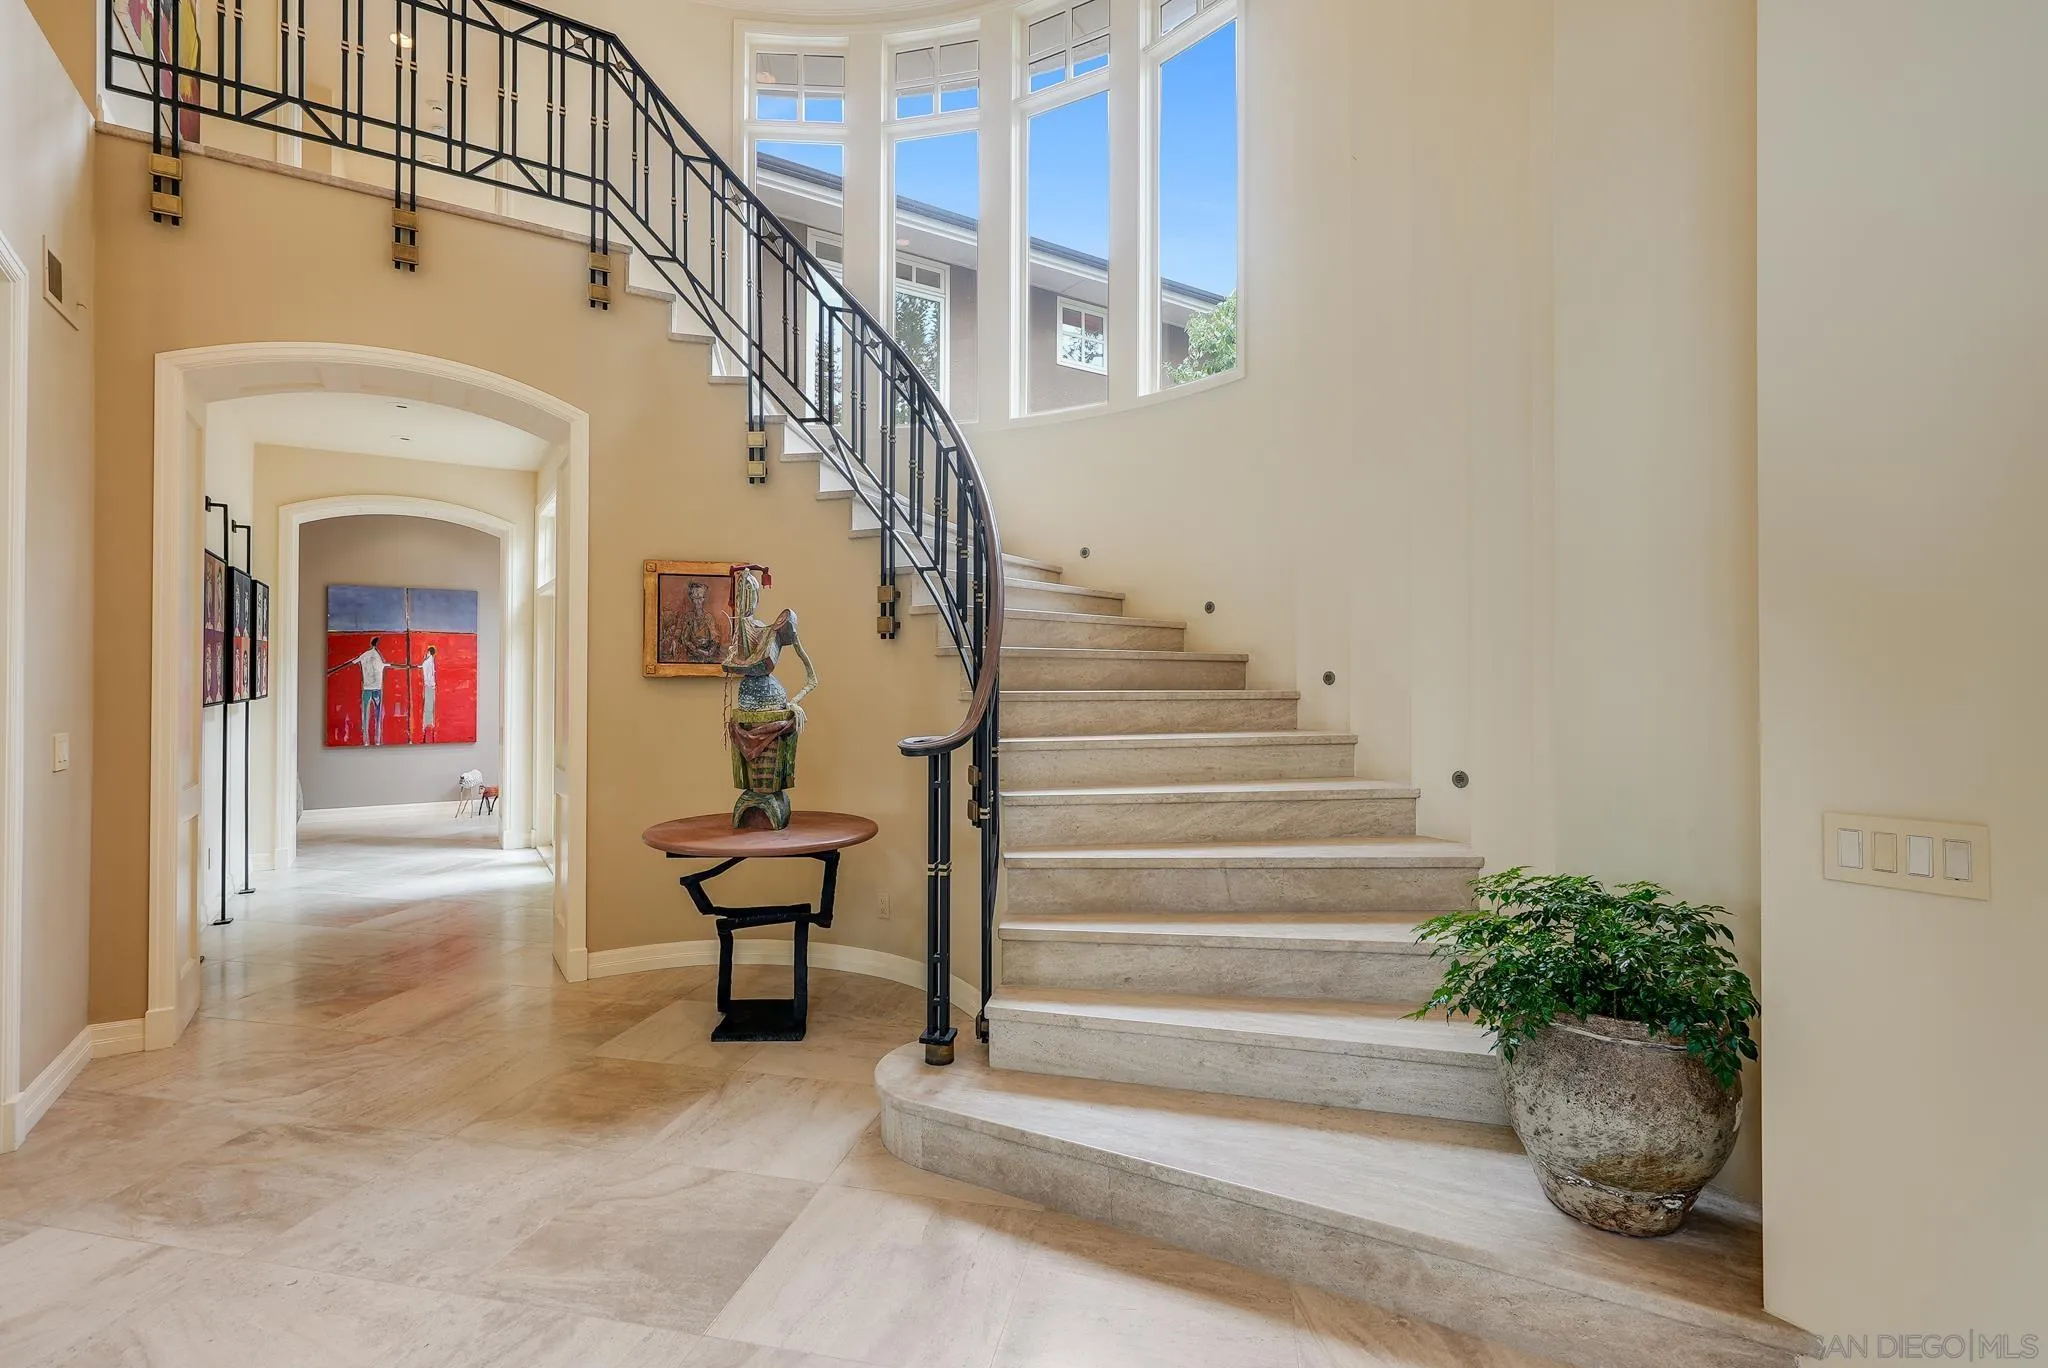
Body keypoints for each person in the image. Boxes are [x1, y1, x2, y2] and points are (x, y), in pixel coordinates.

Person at [326, 636, 410, 746]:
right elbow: (392, 665)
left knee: (365, 716)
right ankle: (377, 741)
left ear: (371, 644)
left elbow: (350, 663)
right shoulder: (380, 657)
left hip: (367, 689)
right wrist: (408, 666)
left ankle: (366, 742)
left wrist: (332, 670)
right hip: (377, 689)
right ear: (378, 645)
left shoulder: (365, 655)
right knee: (377, 716)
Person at [420, 645, 438, 740]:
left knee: (427, 704)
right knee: (430, 704)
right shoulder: (430, 662)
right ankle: (429, 723)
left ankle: (427, 723)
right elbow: (430, 675)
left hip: (428, 685)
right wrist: (432, 685)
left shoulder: (426, 661)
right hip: (430, 686)